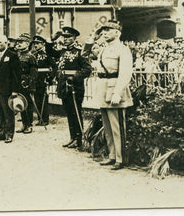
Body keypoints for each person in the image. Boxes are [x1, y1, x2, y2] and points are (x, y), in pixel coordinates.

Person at [91, 20, 133, 170]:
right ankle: (112, 155)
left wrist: (118, 92)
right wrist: (91, 40)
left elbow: (125, 73)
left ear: (117, 33)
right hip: (103, 89)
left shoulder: (122, 49)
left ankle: (121, 159)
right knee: (107, 126)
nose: (104, 33)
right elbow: (86, 54)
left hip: (114, 89)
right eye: (103, 31)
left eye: (108, 30)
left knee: (117, 127)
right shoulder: (104, 49)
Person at [54, 26, 92, 149]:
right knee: (69, 112)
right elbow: (50, 53)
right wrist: (53, 38)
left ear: (74, 38)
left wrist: (74, 77)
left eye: (68, 37)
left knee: (76, 112)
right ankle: (72, 138)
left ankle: (79, 139)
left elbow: (87, 69)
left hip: (75, 86)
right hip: (64, 85)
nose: (65, 39)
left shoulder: (80, 51)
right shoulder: (63, 51)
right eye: (64, 37)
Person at [0, 35, 21, 143]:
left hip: (7, 90)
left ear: (6, 43)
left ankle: (9, 134)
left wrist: (15, 90)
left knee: (8, 113)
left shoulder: (12, 56)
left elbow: (16, 75)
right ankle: (2, 133)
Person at [30, 35, 56, 126]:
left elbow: (54, 67)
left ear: (43, 44)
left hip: (43, 79)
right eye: (34, 43)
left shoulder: (47, 55)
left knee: (43, 100)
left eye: (37, 43)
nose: (35, 45)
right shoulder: (33, 54)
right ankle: (39, 118)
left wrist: (50, 78)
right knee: (37, 100)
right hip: (35, 80)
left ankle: (45, 119)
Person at [15, 33, 37, 134]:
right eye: (18, 42)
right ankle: (23, 124)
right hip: (18, 83)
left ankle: (29, 125)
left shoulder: (30, 56)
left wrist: (30, 84)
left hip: (27, 83)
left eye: (21, 42)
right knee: (20, 104)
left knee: (28, 105)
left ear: (27, 44)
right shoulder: (18, 55)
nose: (18, 44)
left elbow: (33, 73)